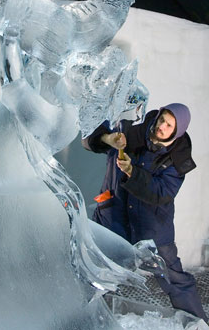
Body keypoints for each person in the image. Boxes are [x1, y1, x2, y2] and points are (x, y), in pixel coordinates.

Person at [82, 103, 208, 322]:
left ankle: (197, 322)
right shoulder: (130, 129)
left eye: (169, 125)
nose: (162, 126)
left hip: (152, 228)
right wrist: (108, 140)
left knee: (175, 278)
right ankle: (79, 317)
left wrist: (132, 171)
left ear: (177, 132)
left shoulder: (177, 159)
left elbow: (161, 192)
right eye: (162, 119)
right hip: (114, 216)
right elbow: (88, 136)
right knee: (92, 269)